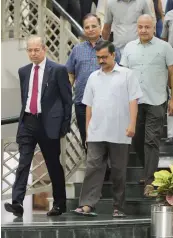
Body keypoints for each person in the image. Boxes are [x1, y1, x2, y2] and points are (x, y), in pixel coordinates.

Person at [72, 40, 142, 217]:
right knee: (93, 168)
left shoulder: (127, 75)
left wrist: (132, 124)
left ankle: (119, 207)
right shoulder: (93, 77)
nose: (101, 60)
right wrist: (88, 131)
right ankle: (88, 204)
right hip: (96, 132)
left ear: (113, 55)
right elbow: (88, 105)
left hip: (120, 132)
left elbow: (133, 101)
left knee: (119, 171)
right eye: (98, 57)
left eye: (104, 57)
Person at [4, 35, 72, 217]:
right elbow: (25, 96)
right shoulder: (23, 71)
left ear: (44, 49)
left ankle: (59, 204)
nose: (33, 53)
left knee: (53, 165)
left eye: (36, 50)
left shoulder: (58, 70)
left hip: (49, 124)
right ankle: (17, 202)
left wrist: (64, 126)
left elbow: (67, 100)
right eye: (30, 50)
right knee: (23, 162)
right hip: (28, 122)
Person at [120, 14, 173, 196]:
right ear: (137, 27)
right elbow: (124, 75)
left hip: (156, 100)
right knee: (137, 139)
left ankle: (149, 181)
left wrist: (172, 98)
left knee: (151, 140)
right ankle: (147, 170)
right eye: (140, 27)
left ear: (153, 28)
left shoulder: (165, 47)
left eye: (147, 27)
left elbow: (172, 74)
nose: (143, 30)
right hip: (134, 102)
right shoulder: (129, 48)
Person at [66, 14, 101, 152]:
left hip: (105, 103)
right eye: (87, 27)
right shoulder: (77, 50)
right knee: (86, 140)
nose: (90, 29)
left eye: (94, 26)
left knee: (105, 141)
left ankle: (107, 173)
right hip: (82, 102)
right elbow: (70, 74)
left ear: (100, 27)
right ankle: (93, 172)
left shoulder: (110, 48)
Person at [161, 9, 173, 144]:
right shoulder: (169, 15)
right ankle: (171, 134)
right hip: (172, 61)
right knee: (172, 96)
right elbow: (164, 39)